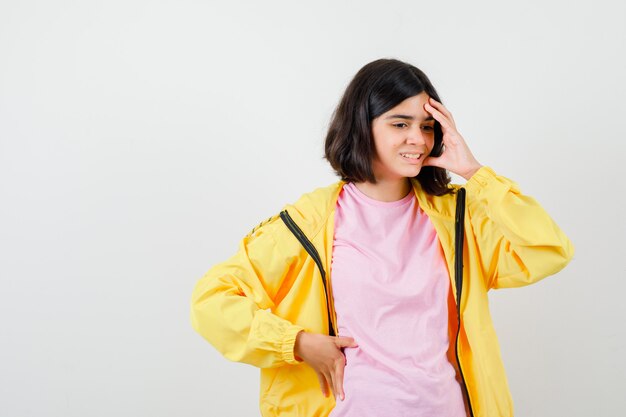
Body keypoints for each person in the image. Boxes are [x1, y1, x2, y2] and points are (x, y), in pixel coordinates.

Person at [190, 58, 574, 417]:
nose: (418, 139)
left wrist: (475, 173)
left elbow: (549, 250)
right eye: (399, 123)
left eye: (427, 126)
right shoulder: (310, 222)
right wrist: (296, 343)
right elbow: (212, 300)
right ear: (362, 125)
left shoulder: (460, 217)